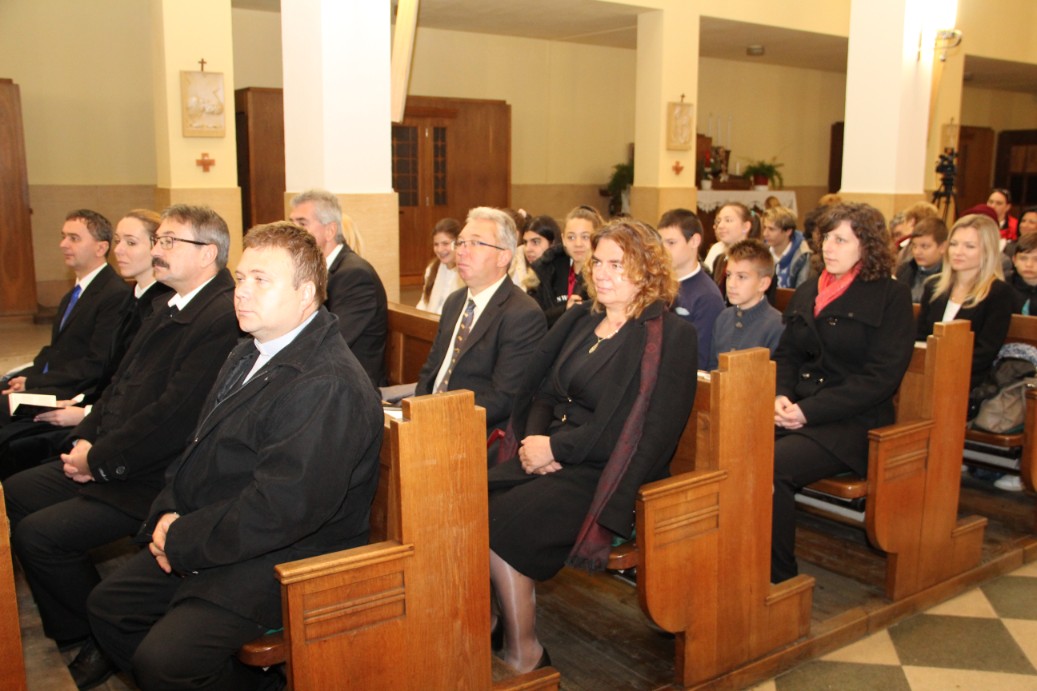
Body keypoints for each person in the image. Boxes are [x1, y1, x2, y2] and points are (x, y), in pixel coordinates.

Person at [87, 222, 384, 691]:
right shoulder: (248, 351)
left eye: (261, 280)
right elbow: (197, 446)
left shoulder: (327, 384)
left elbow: (284, 508)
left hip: (288, 559)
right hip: (222, 528)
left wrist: (182, 539)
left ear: (306, 293)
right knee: (108, 608)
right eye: (242, 278)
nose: (241, 291)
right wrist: (165, 515)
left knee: (166, 662)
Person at [5, 204, 241, 689]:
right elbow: (119, 384)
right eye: (159, 240)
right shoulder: (169, 303)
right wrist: (84, 439)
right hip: (117, 453)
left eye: (169, 241)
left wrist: (98, 461)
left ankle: (94, 638)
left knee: (40, 536)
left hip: (153, 476)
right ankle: (83, 627)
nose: (158, 250)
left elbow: (172, 417)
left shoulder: (219, 316)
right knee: (18, 492)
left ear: (208, 254)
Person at [486, 219, 698, 673]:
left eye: (617, 264)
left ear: (647, 269)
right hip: (552, 451)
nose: (601, 273)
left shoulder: (670, 335)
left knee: (502, 525)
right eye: (598, 262)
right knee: (469, 501)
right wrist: (537, 441)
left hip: (608, 470)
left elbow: (645, 430)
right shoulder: (581, 319)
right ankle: (490, 620)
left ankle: (526, 652)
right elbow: (542, 390)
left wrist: (556, 450)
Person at [772, 203, 915, 584]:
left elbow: (880, 378)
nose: (828, 247)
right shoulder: (809, 289)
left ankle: (779, 578)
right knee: (734, 449)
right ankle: (740, 558)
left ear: (867, 245)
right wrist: (780, 395)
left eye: (840, 240)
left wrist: (809, 411)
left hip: (853, 422)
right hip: (798, 410)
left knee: (772, 467)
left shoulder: (890, 295)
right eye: (825, 239)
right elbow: (787, 355)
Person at [0, 210, 173, 478]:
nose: (119, 250)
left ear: (156, 248)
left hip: (102, 413)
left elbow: (115, 375)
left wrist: (84, 411)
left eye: (130, 242)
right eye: (118, 241)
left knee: (14, 446)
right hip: (90, 402)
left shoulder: (153, 306)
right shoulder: (133, 299)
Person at [416, 207, 547, 432]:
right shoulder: (455, 302)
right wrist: (418, 411)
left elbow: (503, 398)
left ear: (503, 256)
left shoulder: (523, 314)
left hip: (473, 430)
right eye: (461, 243)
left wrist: (441, 419)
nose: (462, 251)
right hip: (431, 416)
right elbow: (431, 370)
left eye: (475, 243)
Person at [1, 210, 129, 408]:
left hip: (74, 392)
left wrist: (33, 382)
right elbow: (56, 350)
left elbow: (96, 364)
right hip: (54, 380)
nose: (63, 244)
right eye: (64, 237)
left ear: (100, 248)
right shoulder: (74, 293)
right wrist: (27, 377)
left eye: (74, 238)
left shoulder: (114, 294)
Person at [289, 189, 388, 388]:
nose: (293, 233)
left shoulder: (355, 275)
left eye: (302, 223)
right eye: (291, 223)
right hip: (321, 372)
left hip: (348, 384)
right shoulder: (312, 269)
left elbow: (333, 340)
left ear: (330, 230)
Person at [917, 213, 1015, 393]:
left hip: (968, 382)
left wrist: (943, 368)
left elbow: (985, 352)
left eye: (969, 246)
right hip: (926, 373)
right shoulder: (934, 286)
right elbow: (921, 335)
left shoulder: (998, 293)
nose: (958, 252)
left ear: (987, 251)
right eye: (954, 244)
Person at [657, 207, 724, 370]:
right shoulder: (657, 284)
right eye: (661, 243)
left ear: (694, 241)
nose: (663, 250)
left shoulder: (707, 296)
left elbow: (698, 359)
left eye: (671, 243)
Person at [708, 239, 784, 370]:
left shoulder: (777, 325)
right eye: (729, 275)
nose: (731, 284)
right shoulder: (723, 318)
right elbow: (713, 368)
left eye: (741, 277)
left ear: (763, 284)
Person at [531, 205, 603, 327]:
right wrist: (565, 310)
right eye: (571, 237)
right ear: (563, 239)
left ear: (596, 238)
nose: (578, 244)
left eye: (585, 237)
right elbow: (535, 318)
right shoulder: (548, 270)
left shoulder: (604, 276)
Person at [703, 202, 755, 295]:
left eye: (728, 220)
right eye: (719, 221)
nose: (720, 226)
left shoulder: (756, 259)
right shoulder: (719, 259)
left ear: (746, 226)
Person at [416, 217, 464, 315]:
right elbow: (424, 302)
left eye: (445, 243)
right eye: (436, 244)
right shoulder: (432, 268)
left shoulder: (467, 272)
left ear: (458, 243)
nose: (440, 249)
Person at [894, 216, 947, 302]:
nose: (917, 252)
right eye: (914, 246)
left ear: (942, 247)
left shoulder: (950, 277)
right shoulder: (904, 270)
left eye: (924, 246)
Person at [761, 206, 812, 289]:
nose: (765, 234)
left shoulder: (802, 255)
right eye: (764, 228)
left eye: (771, 229)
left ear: (788, 231)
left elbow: (801, 291)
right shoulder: (760, 252)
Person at [1009, 232, 1037, 314]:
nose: (1029, 264)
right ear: (1014, 260)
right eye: (1023, 258)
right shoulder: (1003, 285)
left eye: (1036, 259)